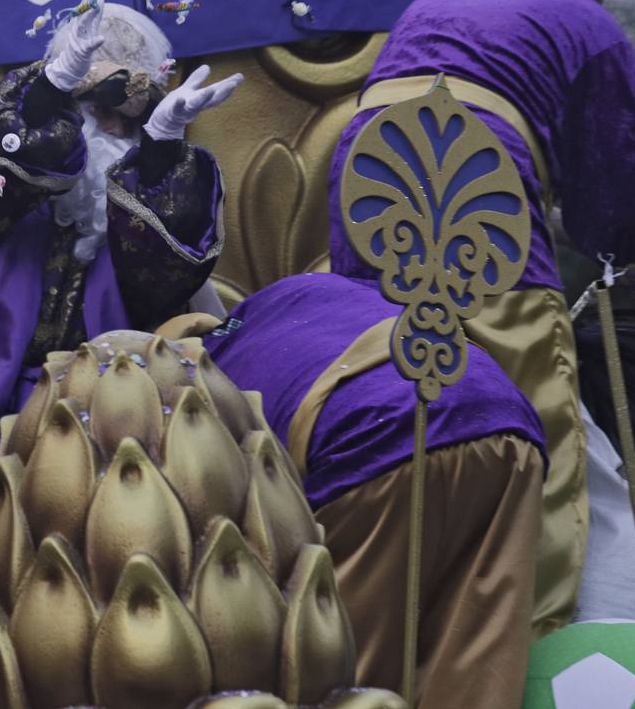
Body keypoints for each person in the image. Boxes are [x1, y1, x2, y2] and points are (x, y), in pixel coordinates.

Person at [325, 0, 635, 633]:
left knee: (399, 383)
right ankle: (532, 632)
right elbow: (616, 194)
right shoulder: (590, 24)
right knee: (533, 409)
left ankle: (381, 615)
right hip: (477, 186)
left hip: (370, 184)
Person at [0, 0, 241, 421]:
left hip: (119, 401)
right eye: (96, 108)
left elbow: (159, 274)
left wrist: (160, 150)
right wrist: (42, 98)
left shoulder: (138, 203)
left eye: (129, 119)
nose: (111, 126)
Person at [202, 271, 546, 708]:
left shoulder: (185, 384)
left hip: (370, 433)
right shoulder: (297, 290)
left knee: (340, 676)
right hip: (500, 415)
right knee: (474, 651)